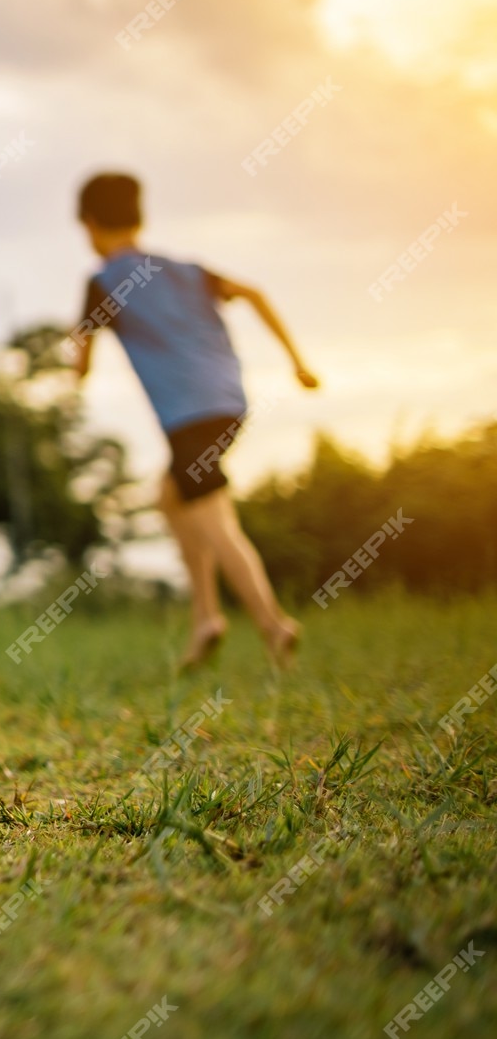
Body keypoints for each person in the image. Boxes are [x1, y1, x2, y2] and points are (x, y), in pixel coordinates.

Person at [69, 172, 317, 669]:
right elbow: (254, 293)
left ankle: (273, 624)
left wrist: (72, 378)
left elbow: (82, 357)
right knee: (171, 497)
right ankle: (206, 617)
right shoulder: (186, 269)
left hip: (188, 418)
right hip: (228, 402)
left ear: (91, 224)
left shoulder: (101, 284)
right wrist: (297, 362)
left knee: (217, 523)